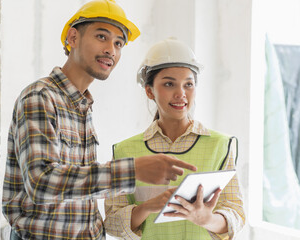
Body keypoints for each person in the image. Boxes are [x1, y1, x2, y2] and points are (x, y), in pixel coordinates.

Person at [2, 1, 197, 239]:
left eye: (118, 43)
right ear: (73, 38)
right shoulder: (40, 97)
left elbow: (79, 194)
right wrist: (133, 171)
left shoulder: (83, 106)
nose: (111, 50)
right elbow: (42, 184)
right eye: (102, 37)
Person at [104, 38, 245, 239]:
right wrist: (147, 207)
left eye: (189, 84)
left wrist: (207, 219)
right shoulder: (125, 151)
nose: (181, 94)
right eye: (169, 84)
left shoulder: (220, 145)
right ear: (149, 91)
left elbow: (236, 213)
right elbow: (111, 221)